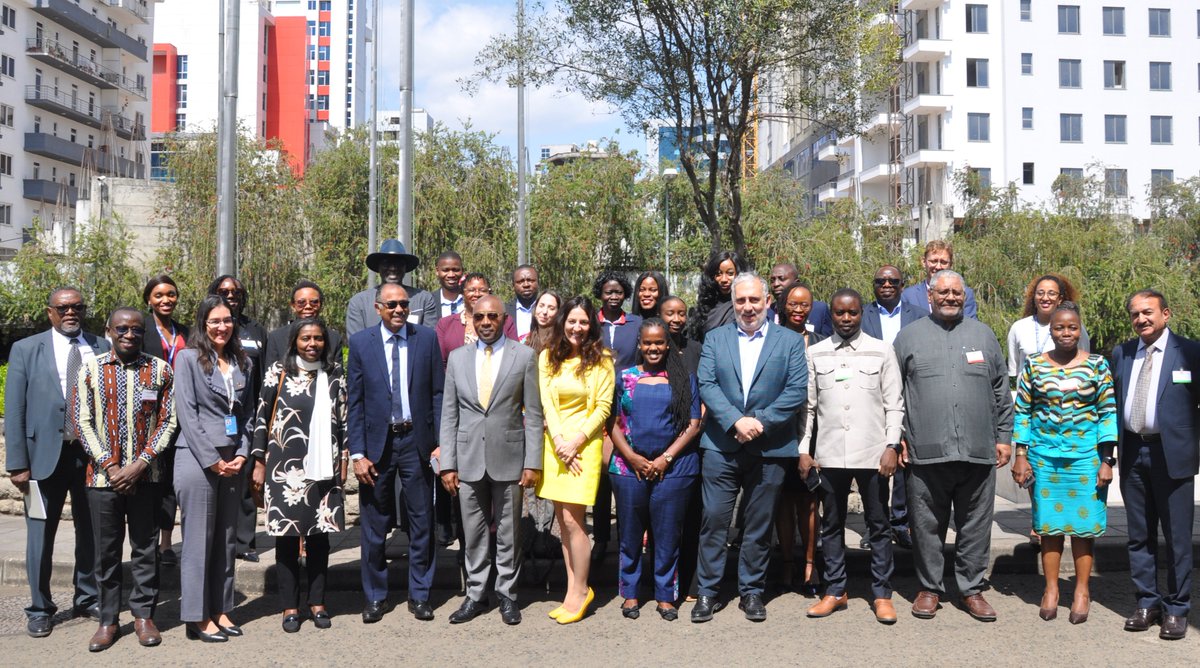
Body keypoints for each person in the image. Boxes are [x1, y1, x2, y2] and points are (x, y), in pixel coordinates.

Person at [893, 270, 1012, 622]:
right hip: (924, 450)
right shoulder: (908, 337)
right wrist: (898, 437)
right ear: (930, 296)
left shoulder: (983, 335)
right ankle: (929, 588)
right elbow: (893, 393)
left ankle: (971, 589)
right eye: (943, 292)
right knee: (926, 525)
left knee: (975, 524)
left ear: (964, 296)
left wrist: (1004, 437)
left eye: (956, 293)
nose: (950, 297)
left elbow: (1000, 390)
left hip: (978, 448)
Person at [692, 273, 808, 623]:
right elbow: (707, 383)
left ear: (767, 302)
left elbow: (796, 391)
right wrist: (735, 421)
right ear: (733, 304)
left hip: (770, 447)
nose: (747, 307)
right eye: (740, 301)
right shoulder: (716, 338)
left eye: (754, 300)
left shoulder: (790, 341)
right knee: (714, 521)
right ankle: (707, 592)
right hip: (721, 445)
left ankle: (752, 591)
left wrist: (759, 421)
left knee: (759, 524)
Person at [5, 287, 109, 638]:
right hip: (41, 460)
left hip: (89, 457)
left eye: (77, 306)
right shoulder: (26, 349)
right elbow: (15, 408)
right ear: (50, 311)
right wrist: (17, 463)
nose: (71, 312)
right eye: (63, 307)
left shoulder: (101, 346)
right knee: (39, 534)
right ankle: (39, 608)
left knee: (90, 531)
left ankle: (87, 596)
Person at [438, 295, 544, 626]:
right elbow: (449, 414)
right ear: (472, 319)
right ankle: (475, 594)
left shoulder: (523, 356)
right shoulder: (457, 358)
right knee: (473, 533)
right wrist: (448, 464)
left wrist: (533, 461)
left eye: (492, 316)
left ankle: (508, 594)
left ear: (503, 319)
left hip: (509, 457)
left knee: (509, 533)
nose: (486, 322)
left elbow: (534, 413)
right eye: (480, 316)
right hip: (467, 458)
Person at [75, 308, 176, 651]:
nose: (129, 335)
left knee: (145, 549)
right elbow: (82, 422)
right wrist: (111, 466)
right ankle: (108, 620)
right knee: (106, 553)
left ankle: (144, 616)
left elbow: (168, 421)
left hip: (147, 478)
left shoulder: (160, 370)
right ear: (109, 330)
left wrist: (140, 464)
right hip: (103, 480)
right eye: (122, 329)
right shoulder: (90, 369)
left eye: (136, 329)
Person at [801, 289, 904, 625]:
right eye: (839, 313)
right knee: (831, 525)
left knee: (879, 525)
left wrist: (892, 446)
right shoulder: (816, 353)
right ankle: (835, 590)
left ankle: (882, 594)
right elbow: (808, 408)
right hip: (830, 455)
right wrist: (804, 450)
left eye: (853, 312)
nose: (846, 318)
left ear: (862, 314)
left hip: (873, 454)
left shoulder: (881, 350)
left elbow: (894, 404)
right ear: (830, 314)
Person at [1010, 302, 1116, 625]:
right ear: (1051, 330)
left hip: (1085, 459)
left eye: (1072, 327)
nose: (1066, 333)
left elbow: (1107, 413)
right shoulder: (1034, 365)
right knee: (1048, 527)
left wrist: (1107, 460)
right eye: (1059, 327)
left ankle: (1082, 590)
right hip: (1044, 459)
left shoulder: (1097, 365)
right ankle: (1051, 589)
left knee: (1084, 529)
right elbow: (1023, 411)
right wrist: (1020, 455)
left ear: (1080, 330)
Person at [347, 283, 444, 623]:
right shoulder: (362, 343)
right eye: (392, 305)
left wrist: (439, 442)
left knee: (422, 521)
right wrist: (357, 453)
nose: (400, 310)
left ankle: (420, 594)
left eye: (404, 304)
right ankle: (376, 596)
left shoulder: (426, 339)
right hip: (378, 446)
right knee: (374, 525)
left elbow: (437, 393)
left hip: (417, 442)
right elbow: (355, 401)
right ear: (378, 308)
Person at [1110, 289, 1200, 640]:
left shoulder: (1190, 352)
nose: (1141, 319)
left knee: (1177, 538)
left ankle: (1177, 608)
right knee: (1138, 535)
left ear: (1166, 313)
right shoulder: (1122, 353)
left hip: (1172, 455)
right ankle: (1147, 603)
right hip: (1133, 452)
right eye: (1135, 314)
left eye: (1148, 312)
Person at [251, 317, 348, 633]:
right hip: (284, 466)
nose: (312, 344)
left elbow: (344, 419)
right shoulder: (278, 371)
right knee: (287, 537)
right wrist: (258, 461)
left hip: (324, 467)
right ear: (294, 341)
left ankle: (317, 602)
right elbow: (262, 417)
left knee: (320, 536)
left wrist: (344, 458)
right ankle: (289, 606)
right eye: (306, 338)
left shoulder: (334, 373)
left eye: (318, 338)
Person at [608, 319, 702, 621]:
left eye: (659, 342)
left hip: (674, 469)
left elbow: (693, 424)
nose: (653, 348)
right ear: (639, 344)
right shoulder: (625, 377)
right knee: (630, 534)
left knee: (667, 535)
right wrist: (632, 457)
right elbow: (612, 423)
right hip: (628, 468)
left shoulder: (683, 378)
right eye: (647, 342)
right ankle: (630, 593)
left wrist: (666, 458)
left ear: (667, 344)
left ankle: (665, 595)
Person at [173, 294, 255, 642]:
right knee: (198, 541)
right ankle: (197, 616)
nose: (222, 327)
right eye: (215, 321)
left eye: (227, 320)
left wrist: (243, 453)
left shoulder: (242, 361)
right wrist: (213, 459)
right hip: (198, 458)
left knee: (225, 538)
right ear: (203, 324)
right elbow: (187, 414)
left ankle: (221, 609)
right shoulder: (188, 359)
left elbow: (247, 414)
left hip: (233, 457)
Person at [535, 296, 615, 624]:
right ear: (562, 322)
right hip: (555, 447)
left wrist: (575, 442)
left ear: (591, 325)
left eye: (583, 322)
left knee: (574, 521)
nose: (577, 328)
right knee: (562, 520)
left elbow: (603, 407)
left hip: (584, 447)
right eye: (572, 321)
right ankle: (571, 590)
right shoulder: (547, 357)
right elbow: (547, 404)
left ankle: (582, 590)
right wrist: (559, 442)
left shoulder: (602, 359)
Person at [860, 264, 924, 550]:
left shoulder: (919, 316)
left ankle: (900, 523)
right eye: (880, 281)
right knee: (872, 463)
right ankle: (874, 526)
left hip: (908, 394)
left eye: (893, 281)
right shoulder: (862, 314)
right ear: (874, 285)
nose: (886, 285)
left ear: (902, 285)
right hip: (870, 396)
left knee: (902, 461)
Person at [206, 275, 266, 564]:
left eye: (237, 292)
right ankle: (216, 539)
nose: (231, 296)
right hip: (214, 414)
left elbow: (264, 374)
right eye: (224, 291)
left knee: (245, 479)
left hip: (247, 413)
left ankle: (244, 542)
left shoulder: (256, 330)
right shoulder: (207, 325)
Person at [773, 280, 824, 596]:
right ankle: (786, 561)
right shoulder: (771, 339)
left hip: (813, 430)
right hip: (779, 428)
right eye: (793, 303)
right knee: (783, 500)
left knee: (808, 500)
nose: (799, 309)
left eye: (805, 304)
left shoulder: (820, 341)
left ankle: (810, 563)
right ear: (783, 305)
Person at [592, 271, 642, 561]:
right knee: (600, 477)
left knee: (623, 474)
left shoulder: (636, 324)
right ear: (600, 294)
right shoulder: (591, 322)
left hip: (627, 405)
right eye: (608, 292)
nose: (613, 297)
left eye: (618, 292)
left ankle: (627, 538)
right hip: (595, 402)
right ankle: (601, 538)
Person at [141, 275, 189, 569]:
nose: (166, 300)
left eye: (171, 294)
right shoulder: (140, 328)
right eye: (159, 295)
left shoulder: (185, 332)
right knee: (150, 480)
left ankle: (166, 544)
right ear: (149, 299)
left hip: (182, 415)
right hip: (149, 415)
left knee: (171, 480)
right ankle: (146, 542)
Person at [345, 239, 435, 335]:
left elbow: (428, 338)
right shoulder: (359, 302)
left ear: (405, 267)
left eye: (398, 263)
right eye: (386, 263)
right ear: (378, 267)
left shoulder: (423, 299)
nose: (393, 268)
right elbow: (356, 341)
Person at [1007, 273, 1089, 377]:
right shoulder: (1018, 328)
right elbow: (1014, 370)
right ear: (1034, 297)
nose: (1045, 298)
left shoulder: (1074, 328)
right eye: (1040, 293)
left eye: (1051, 293)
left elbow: (1084, 363)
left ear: (1060, 299)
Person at [436, 273, 518, 367]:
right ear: (462, 293)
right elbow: (440, 362)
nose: (477, 294)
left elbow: (514, 355)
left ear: (489, 292)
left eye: (482, 290)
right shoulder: (445, 324)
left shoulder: (504, 320)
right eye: (471, 290)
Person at [263, 281, 344, 367]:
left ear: (321, 305)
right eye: (301, 302)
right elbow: (270, 372)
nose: (308, 306)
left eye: (314, 302)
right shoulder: (277, 337)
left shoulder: (333, 338)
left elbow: (337, 372)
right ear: (293, 306)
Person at [900, 240, 979, 319]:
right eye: (933, 261)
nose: (938, 267)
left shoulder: (965, 294)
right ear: (924, 262)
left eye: (943, 262)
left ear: (951, 264)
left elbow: (970, 324)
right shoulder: (908, 296)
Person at [686, 250, 750, 343]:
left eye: (730, 273)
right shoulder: (706, 306)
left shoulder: (747, 307)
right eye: (718, 274)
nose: (723, 279)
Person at [768, 263, 831, 336]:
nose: (775, 284)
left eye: (781, 279)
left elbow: (827, 340)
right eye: (772, 280)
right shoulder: (766, 313)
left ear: (796, 282)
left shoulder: (819, 310)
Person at [660, 296, 700, 375]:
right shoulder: (652, 348)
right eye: (670, 314)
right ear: (659, 315)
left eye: (681, 314)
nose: (677, 319)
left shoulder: (696, 349)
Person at [430, 251, 465, 328]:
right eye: (445, 270)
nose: (451, 275)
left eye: (456, 270)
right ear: (437, 271)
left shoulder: (471, 300)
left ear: (462, 270)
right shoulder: (429, 301)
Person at [505, 264, 540, 340]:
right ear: (513, 285)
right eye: (520, 282)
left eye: (530, 280)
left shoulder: (549, 310)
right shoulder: (504, 312)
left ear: (538, 283)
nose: (526, 285)